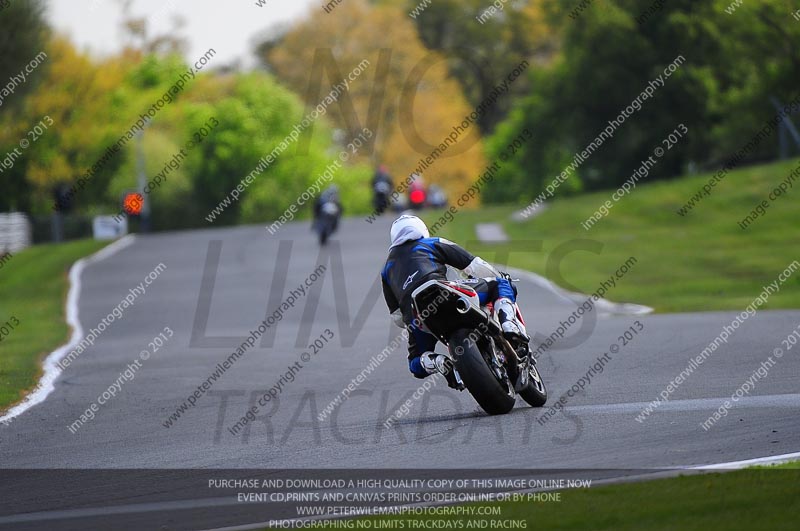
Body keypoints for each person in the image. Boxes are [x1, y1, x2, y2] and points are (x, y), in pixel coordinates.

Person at [380, 215, 527, 379]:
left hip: (418, 316)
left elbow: (397, 317)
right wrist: (499, 275)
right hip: (446, 296)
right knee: (500, 284)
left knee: (415, 364)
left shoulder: (387, 269)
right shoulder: (431, 243)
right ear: (421, 230)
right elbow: (475, 265)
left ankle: (437, 361)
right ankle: (508, 323)